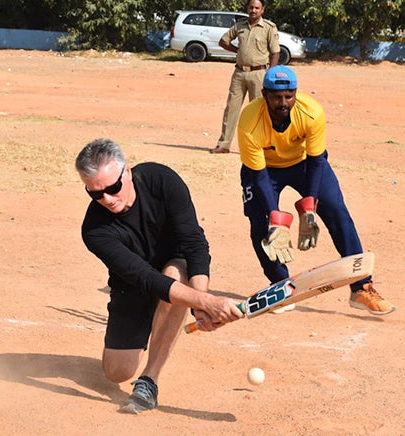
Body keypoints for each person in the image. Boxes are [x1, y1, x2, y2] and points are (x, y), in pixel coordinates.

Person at [76, 138, 243, 414]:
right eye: (95, 194)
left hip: (175, 268)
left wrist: (200, 303)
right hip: (133, 285)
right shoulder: (94, 230)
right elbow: (144, 278)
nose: (107, 199)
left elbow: (194, 243)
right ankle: (157, 319)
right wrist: (204, 303)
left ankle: (149, 380)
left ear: (126, 172)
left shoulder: (161, 180)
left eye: (113, 187)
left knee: (175, 274)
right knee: (117, 372)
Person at [237, 65, 395, 316]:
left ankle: (361, 287)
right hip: (265, 170)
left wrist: (309, 208)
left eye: (289, 96)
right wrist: (276, 219)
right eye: (277, 97)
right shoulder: (249, 121)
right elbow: (258, 175)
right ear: (265, 94)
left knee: (337, 211)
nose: (283, 102)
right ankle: (281, 288)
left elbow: (316, 160)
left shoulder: (311, 112)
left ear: (295, 94)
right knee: (262, 225)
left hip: (305, 165)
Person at [210, 0, 280, 154]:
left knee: (259, 110)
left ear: (262, 10)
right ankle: (224, 144)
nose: (253, 10)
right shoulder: (240, 25)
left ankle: (260, 144)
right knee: (231, 109)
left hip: (259, 74)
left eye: (257, 8)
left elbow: (275, 52)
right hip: (239, 73)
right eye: (251, 7)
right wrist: (238, 51)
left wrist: (271, 74)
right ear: (247, 9)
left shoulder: (269, 27)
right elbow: (223, 41)